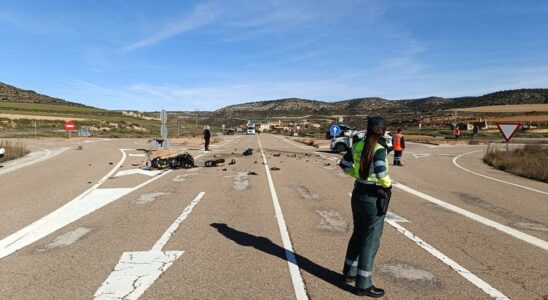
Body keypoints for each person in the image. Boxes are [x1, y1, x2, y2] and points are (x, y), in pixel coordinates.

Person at [338, 116, 392, 297]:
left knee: (358, 233)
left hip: (358, 192)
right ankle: (363, 284)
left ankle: (349, 273)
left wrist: (356, 174)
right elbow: (380, 171)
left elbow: (344, 164)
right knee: (371, 239)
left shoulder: (358, 144)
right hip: (372, 195)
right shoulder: (379, 148)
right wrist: (387, 184)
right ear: (383, 130)